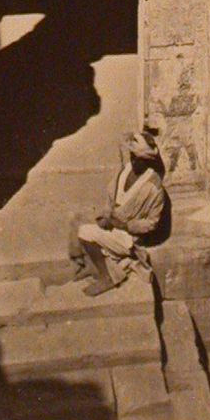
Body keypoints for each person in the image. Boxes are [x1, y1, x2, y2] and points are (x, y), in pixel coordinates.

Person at [69, 126, 167, 297]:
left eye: (139, 160)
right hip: (112, 225)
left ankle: (106, 278)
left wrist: (126, 225)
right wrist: (105, 216)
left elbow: (152, 223)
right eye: (132, 157)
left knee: (85, 232)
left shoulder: (154, 187)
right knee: (77, 221)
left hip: (128, 238)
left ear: (147, 160)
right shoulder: (125, 170)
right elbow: (111, 198)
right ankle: (92, 267)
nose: (134, 162)